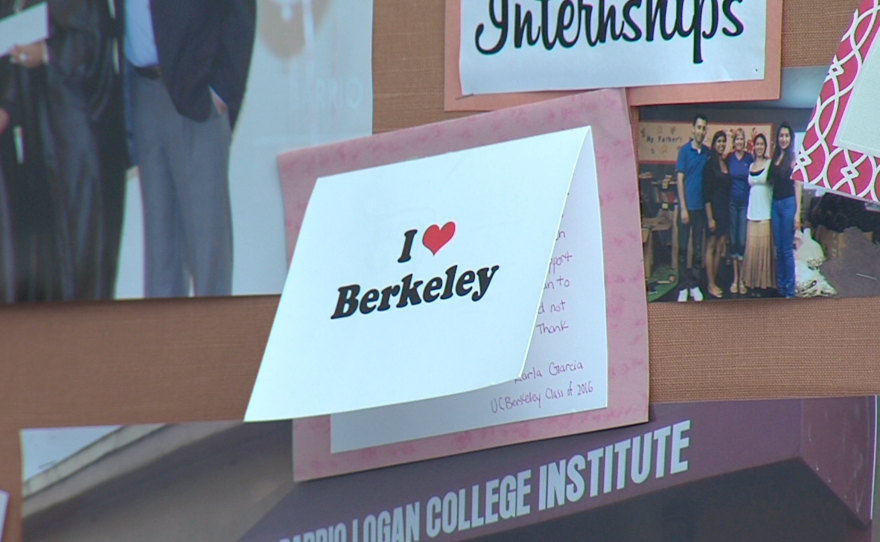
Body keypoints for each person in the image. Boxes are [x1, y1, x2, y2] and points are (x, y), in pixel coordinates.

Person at [125, 0, 256, 298]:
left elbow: (239, 8)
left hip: (195, 92)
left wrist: (223, 90)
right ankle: (168, 343)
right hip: (142, 86)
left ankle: (214, 341)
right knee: (160, 251)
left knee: (207, 251)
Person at [0, 0, 124, 302]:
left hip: (81, 133)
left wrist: (46, 53)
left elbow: (93, 39)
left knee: (84, 243)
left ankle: (87, 341)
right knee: (50, 244)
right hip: (43, 132)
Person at [675, 115, 710, 302]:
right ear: (693, 129)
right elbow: (679, 180)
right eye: (698, 127)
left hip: (700, 210)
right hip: (686, 209)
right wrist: (683, 208)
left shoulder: (706, 152)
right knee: (682, 249)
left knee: (698, 249)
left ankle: (694, 285)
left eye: (704, 128)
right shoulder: (684, 151)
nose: (701, 131)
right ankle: (683, 286)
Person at [769, 122, 801, 298]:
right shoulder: (775, 158)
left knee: (787, 250)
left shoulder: (793, 159)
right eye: (781, 136)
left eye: (786, 136)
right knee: (779, 250)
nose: (783, 139)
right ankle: (781, 287)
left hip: (788, 205)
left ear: (791, 138)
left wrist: (797, 213)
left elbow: (798, 186)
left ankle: (789, 291)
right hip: (775, 205)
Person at [742, 134, 775, 291]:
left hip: (765, 212)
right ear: (753, 147)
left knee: (763, 252)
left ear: (765, 146)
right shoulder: (750, 166)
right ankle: (752, 284)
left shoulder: (770, 164)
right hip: (752, 213)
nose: (759, 147)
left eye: (762, 144)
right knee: (753, 250)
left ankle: (763, 285)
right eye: (757, 144)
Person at [702, 130, 731, 298]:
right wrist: (710, 217)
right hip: (713, 209)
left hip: (725, 210)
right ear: (713, 144)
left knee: (720, 245)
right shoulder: (709, 163)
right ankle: (710, 284)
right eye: (718, 141)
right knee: (711, 245)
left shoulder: (724, 162)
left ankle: (712, 280)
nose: (721, 144)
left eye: (723, 142)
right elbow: (706, 193)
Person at [726, 128, 753, 295]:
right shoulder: (729, 158)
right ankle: (735, 279)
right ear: (734, 142)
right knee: (734, 242)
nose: (739, 142)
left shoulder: (749, 158)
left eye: (742, 140)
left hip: (744, 204)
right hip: (731, 204)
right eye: (737, 139)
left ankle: (743, 279)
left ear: (745, 142)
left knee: (742, 242)